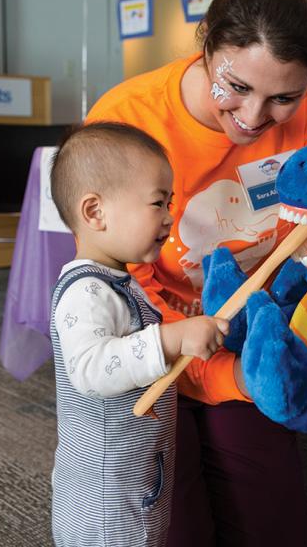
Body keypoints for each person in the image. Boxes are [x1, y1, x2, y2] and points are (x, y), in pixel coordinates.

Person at [84, 0, 307, 544]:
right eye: (237, 87)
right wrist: (203, 361)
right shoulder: (127, 120)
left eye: (283, 99)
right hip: (147, 338)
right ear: (204, 45)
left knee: (273, 522)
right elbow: (107, 280)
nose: (253, 117)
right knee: (173, 523)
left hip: (245, 336)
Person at [48, 122, 229, 547]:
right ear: (95, 213)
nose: (170, 217)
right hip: (105, 500)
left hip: (134, 475)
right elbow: (91, 370)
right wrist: (172, 339)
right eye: (157, 203)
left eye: (171, 202)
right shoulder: (85, 291)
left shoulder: (118, 280)